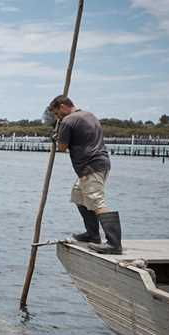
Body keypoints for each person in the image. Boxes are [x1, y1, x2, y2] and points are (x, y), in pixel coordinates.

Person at [49, 95, 122, 254]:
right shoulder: (89, 115)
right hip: (96, 164)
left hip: (91, 166)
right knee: (79, 195)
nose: (57, 117)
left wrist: (56, 137)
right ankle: (92, 234)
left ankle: (114, 244)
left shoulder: (68, 121)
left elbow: (62, 147)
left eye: (57, 113)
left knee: (96, 201)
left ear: (63, 106)